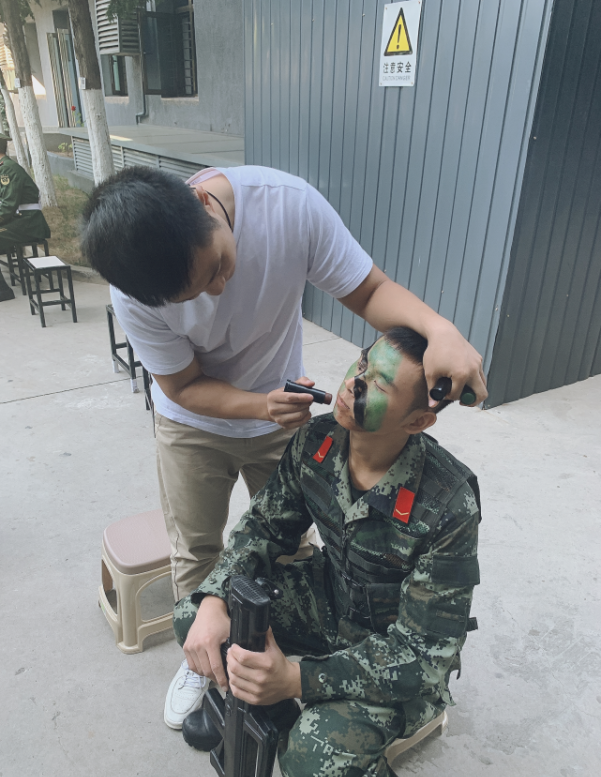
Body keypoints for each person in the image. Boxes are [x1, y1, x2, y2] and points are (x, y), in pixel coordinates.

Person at [80, 165, 486, 730]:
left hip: (278, 416)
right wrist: (259, 405)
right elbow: (184, 386)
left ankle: (291, 669)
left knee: (293, 550)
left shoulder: (289, 209)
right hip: (194, 419)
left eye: (217, 267)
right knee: (198, 559)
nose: (218, 291)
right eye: (195, 294)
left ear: (204, 203)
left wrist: (440, 329)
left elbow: (369, 290)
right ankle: (207, 663)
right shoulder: (136, 292)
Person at [174, 327, 481, 777]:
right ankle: (269, 718)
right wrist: (216, 599)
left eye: (379, 385)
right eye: (362, 364)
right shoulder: (318, 441)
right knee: (195, 618)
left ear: (418, 421)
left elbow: (423, 657)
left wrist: (297, 680)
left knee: (313, 760)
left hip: (392, 653)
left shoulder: (448, 503)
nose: (354, 383)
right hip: (328, 603)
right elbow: (263, 528)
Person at [0, 134, 50, 302]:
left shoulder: (7, 169)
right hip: (18, 220)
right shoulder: (3, 168)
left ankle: (3, 292)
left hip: (28, 223)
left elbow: (7, 206)